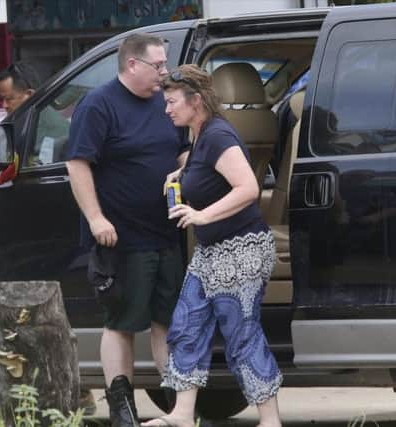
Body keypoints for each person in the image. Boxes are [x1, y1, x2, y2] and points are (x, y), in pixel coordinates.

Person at [142, 65, 283, 427]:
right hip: (211, 253)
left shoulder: (220, 135)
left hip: (241, 249)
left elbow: (248, 189)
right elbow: (202, 162)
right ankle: (182, 415)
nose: (167, 109)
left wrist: (203, 216)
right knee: (186, 326)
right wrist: (182, 174)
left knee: (242, 334)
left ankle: (270, 421)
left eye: (172, 102)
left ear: (197, 100)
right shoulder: (201, 132)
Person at [65, 33, 188, 427]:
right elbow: (77, 165)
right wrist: (96, 218)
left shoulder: (164, 102)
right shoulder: (98, 105)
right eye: (158, 65)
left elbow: (182, 146)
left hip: (166, 231)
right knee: (122, 322)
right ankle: (122, 408)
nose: (165, 73)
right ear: (132, 64)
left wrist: (187, 170)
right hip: (121, 237)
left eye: (165, 65)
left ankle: (177, 405)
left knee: (166, 321)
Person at [0, 62, 96, 415]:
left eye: (9, 99)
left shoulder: (47, 129)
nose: (5, 107)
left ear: (28, 95)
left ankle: (70, 394)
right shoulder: (35, 125)